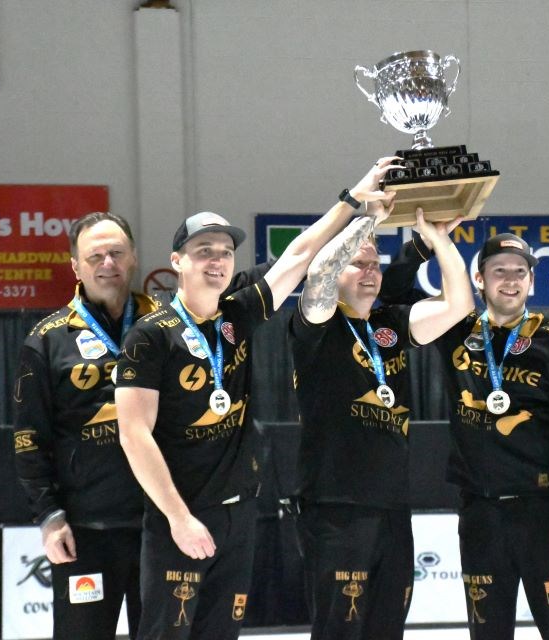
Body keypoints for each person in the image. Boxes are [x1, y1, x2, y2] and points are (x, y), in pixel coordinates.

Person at [114, 158, 400, 639]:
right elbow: (134, 434)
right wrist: (179, 518)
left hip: (238, 513)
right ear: (177, 261)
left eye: (225, 251)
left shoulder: (238, 311)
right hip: (180, 515)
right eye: (203, 250)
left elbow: (300, 255)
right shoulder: (149, 335)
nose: (217, 260)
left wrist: (358, 204)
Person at [381, 232, 549, 640]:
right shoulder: (456, 329)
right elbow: (394, 298)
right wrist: (427, 243)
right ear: (478, 279)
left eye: (520, 272)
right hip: (480, 514)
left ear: (532, 281)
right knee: (487, 632)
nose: (511, 280)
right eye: (499, 271)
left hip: (543, 513)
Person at [290, 205, 473, 640]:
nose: (370, 272)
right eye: (358, 263)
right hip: (335, 507)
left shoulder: (389, 323)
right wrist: (366, 222)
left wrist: (439, 240)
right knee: (340, 629)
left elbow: (459, 305)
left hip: (392, 506)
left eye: (376, 264)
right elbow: (316, 279)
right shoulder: (315, 324)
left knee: (387, 629)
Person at [12, 211, 151, 639]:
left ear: (133, 258)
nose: (107, 263)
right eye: (95, 256)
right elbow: (28, 439)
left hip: (162, 526)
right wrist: (50, 516)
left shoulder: (165, 326)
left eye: (116, 253)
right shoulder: (47, 340)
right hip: (87, 531)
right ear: (76, 266)